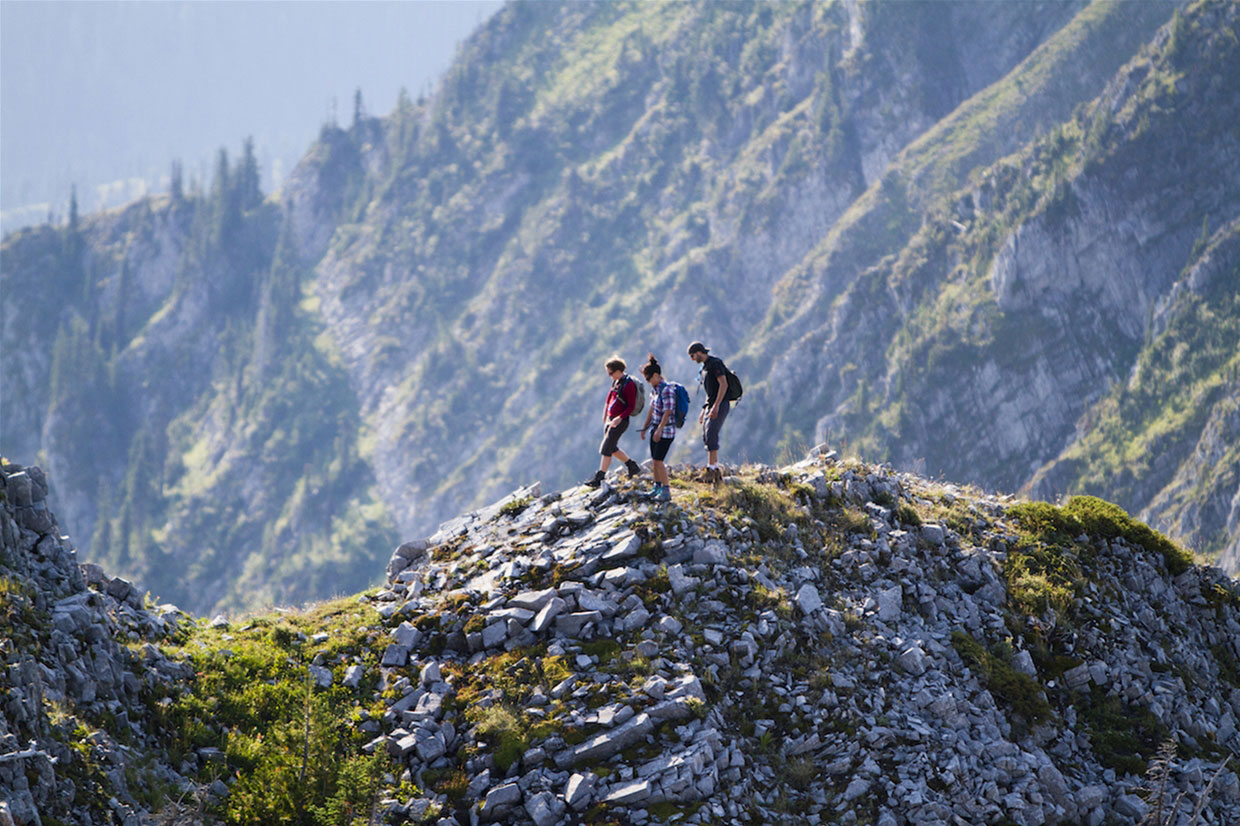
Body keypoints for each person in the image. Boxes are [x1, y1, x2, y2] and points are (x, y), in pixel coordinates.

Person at [585, 356, 643, 487]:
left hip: (620, 421)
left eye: (611, 373)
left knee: (606, 448)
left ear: (618, 370)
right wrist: (605, 413)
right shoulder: (616, 382)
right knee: (613, 448)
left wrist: (619, 418)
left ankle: (599, 478)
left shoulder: (628, 384)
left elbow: (630, 406)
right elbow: (609, 398)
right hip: (611, 420)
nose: (609, 376)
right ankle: (632, 466)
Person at [688, 341, 730, 483]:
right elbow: (709, 392)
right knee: (706, 435)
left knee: (712, 433)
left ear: (699, 352)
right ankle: (715, 473)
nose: (692, 359)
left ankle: (711, 469)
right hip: (711, 405)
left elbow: (723, 384)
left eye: (692, 356)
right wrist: (704, 409)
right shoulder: (705, 368)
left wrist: (716, 406)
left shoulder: (715, 364)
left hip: (720, 404)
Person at [638, 354, 676, 502]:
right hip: (655, 429)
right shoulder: (654, 390)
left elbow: (668, 411)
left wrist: (659, 430)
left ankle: (666, 491)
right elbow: (651, 409)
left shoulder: (667, 390)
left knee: (659, 461)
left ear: (655, 375)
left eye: (648, 379)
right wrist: (645, 427)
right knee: (654, 460)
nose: (647, 382)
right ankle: (657, 487)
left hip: (665, 431)